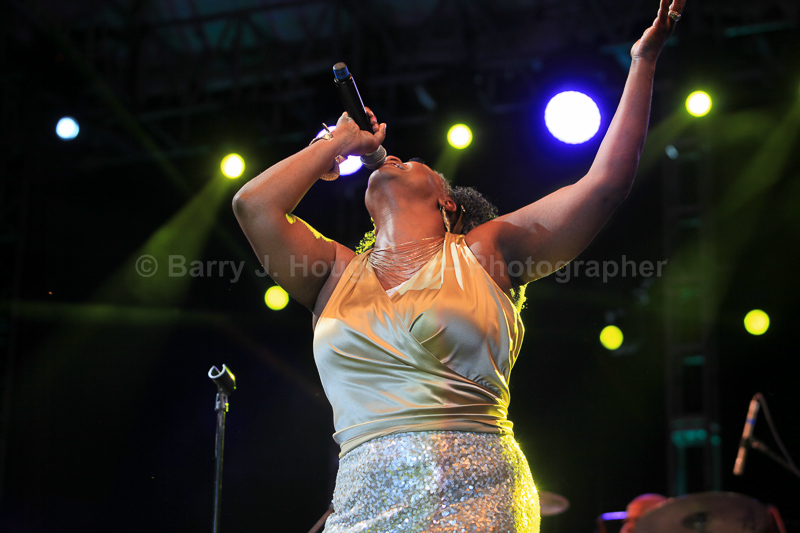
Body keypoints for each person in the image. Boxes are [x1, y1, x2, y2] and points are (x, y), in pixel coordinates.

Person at [232, 0, 685, 530]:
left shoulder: (484, 253)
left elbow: (605, 185)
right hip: (362, 505)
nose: (392, 158)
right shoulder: (333, 273)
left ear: (447, 203)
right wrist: (334, 145)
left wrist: (643, 60)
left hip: (476, 494)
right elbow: (252, 206)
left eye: (409, 162)